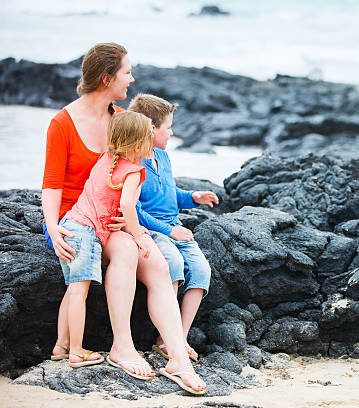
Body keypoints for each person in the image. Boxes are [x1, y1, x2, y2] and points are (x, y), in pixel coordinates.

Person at [42, 42, 206, 394]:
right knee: (131, 252)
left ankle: (177, 357)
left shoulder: (123, 122)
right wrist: (53, 228)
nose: (132, 80)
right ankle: (123, 348)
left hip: (116, 220)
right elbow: (52, 185)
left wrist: (144, 224)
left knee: (158, 263)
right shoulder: (62, 123)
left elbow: (135, 182)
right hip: (78, 221)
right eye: (126, 72)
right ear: (106, 78)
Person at [56, 111, 152, 369]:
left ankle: (61, 344)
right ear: (139, 144)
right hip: (86, 232)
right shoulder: (133, 171)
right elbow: (127, 206)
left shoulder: (105, 158)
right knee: (79, 291)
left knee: (72, 288)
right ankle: (76, 351)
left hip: (70, 225)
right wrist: (139, 235)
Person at [128, 94, 218, 362]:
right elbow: (134, 210)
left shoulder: (163, 157)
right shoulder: (135, 162)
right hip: (153, 231)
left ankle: (173, 339)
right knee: (174, 266)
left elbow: (169, 193)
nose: (172, 132)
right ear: (151, 129)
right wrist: (168, 232)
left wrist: (192, 198)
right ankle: (171, 338)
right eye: (168, 127)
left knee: (201, 271)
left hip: (174, 226)